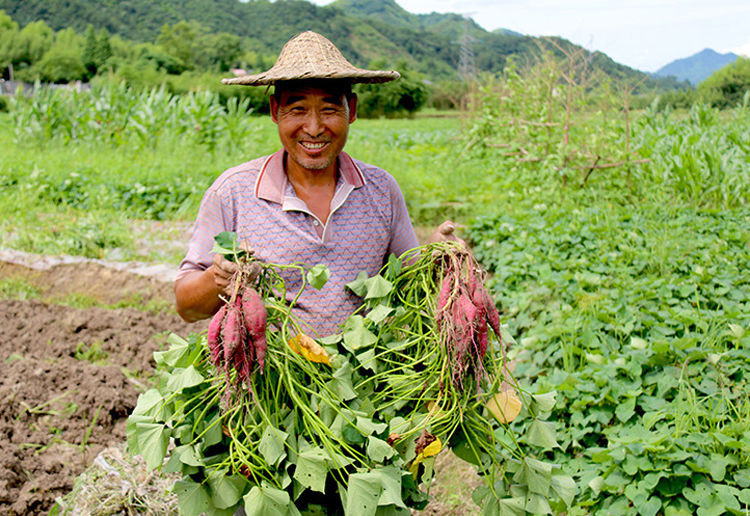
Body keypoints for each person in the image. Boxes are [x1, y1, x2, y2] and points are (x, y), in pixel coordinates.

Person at [174, 31, 460, 335]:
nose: (313, 128)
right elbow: (186, 307)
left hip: (365, 379)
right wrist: (218, 277)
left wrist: (440, 260)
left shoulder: (381, 190)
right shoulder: (233, 192)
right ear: (275, 111)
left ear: (352, 109)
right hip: (268, 380)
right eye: (297, 109)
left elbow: (411, 290)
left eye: (329, 109)